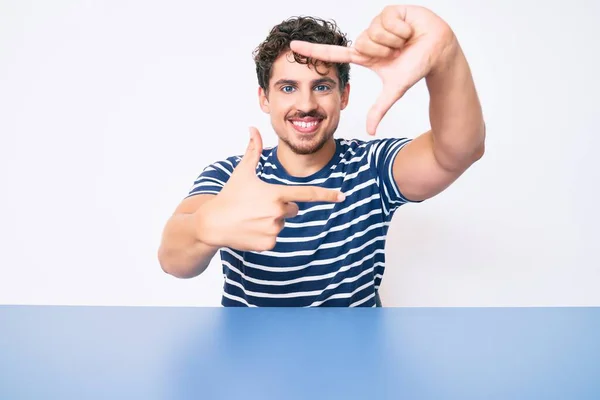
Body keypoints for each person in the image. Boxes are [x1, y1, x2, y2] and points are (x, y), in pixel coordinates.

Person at [157, 5, 486, 307]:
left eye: (322, 86)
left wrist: (445, 54)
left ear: (343, 95)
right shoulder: (232, 177)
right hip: (252, 363)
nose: (306, 104)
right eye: (288, 88)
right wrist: (206, 225)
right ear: (264, 98)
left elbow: (456, 151)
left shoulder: (372, 168)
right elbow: (173, 260)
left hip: (354, 362)